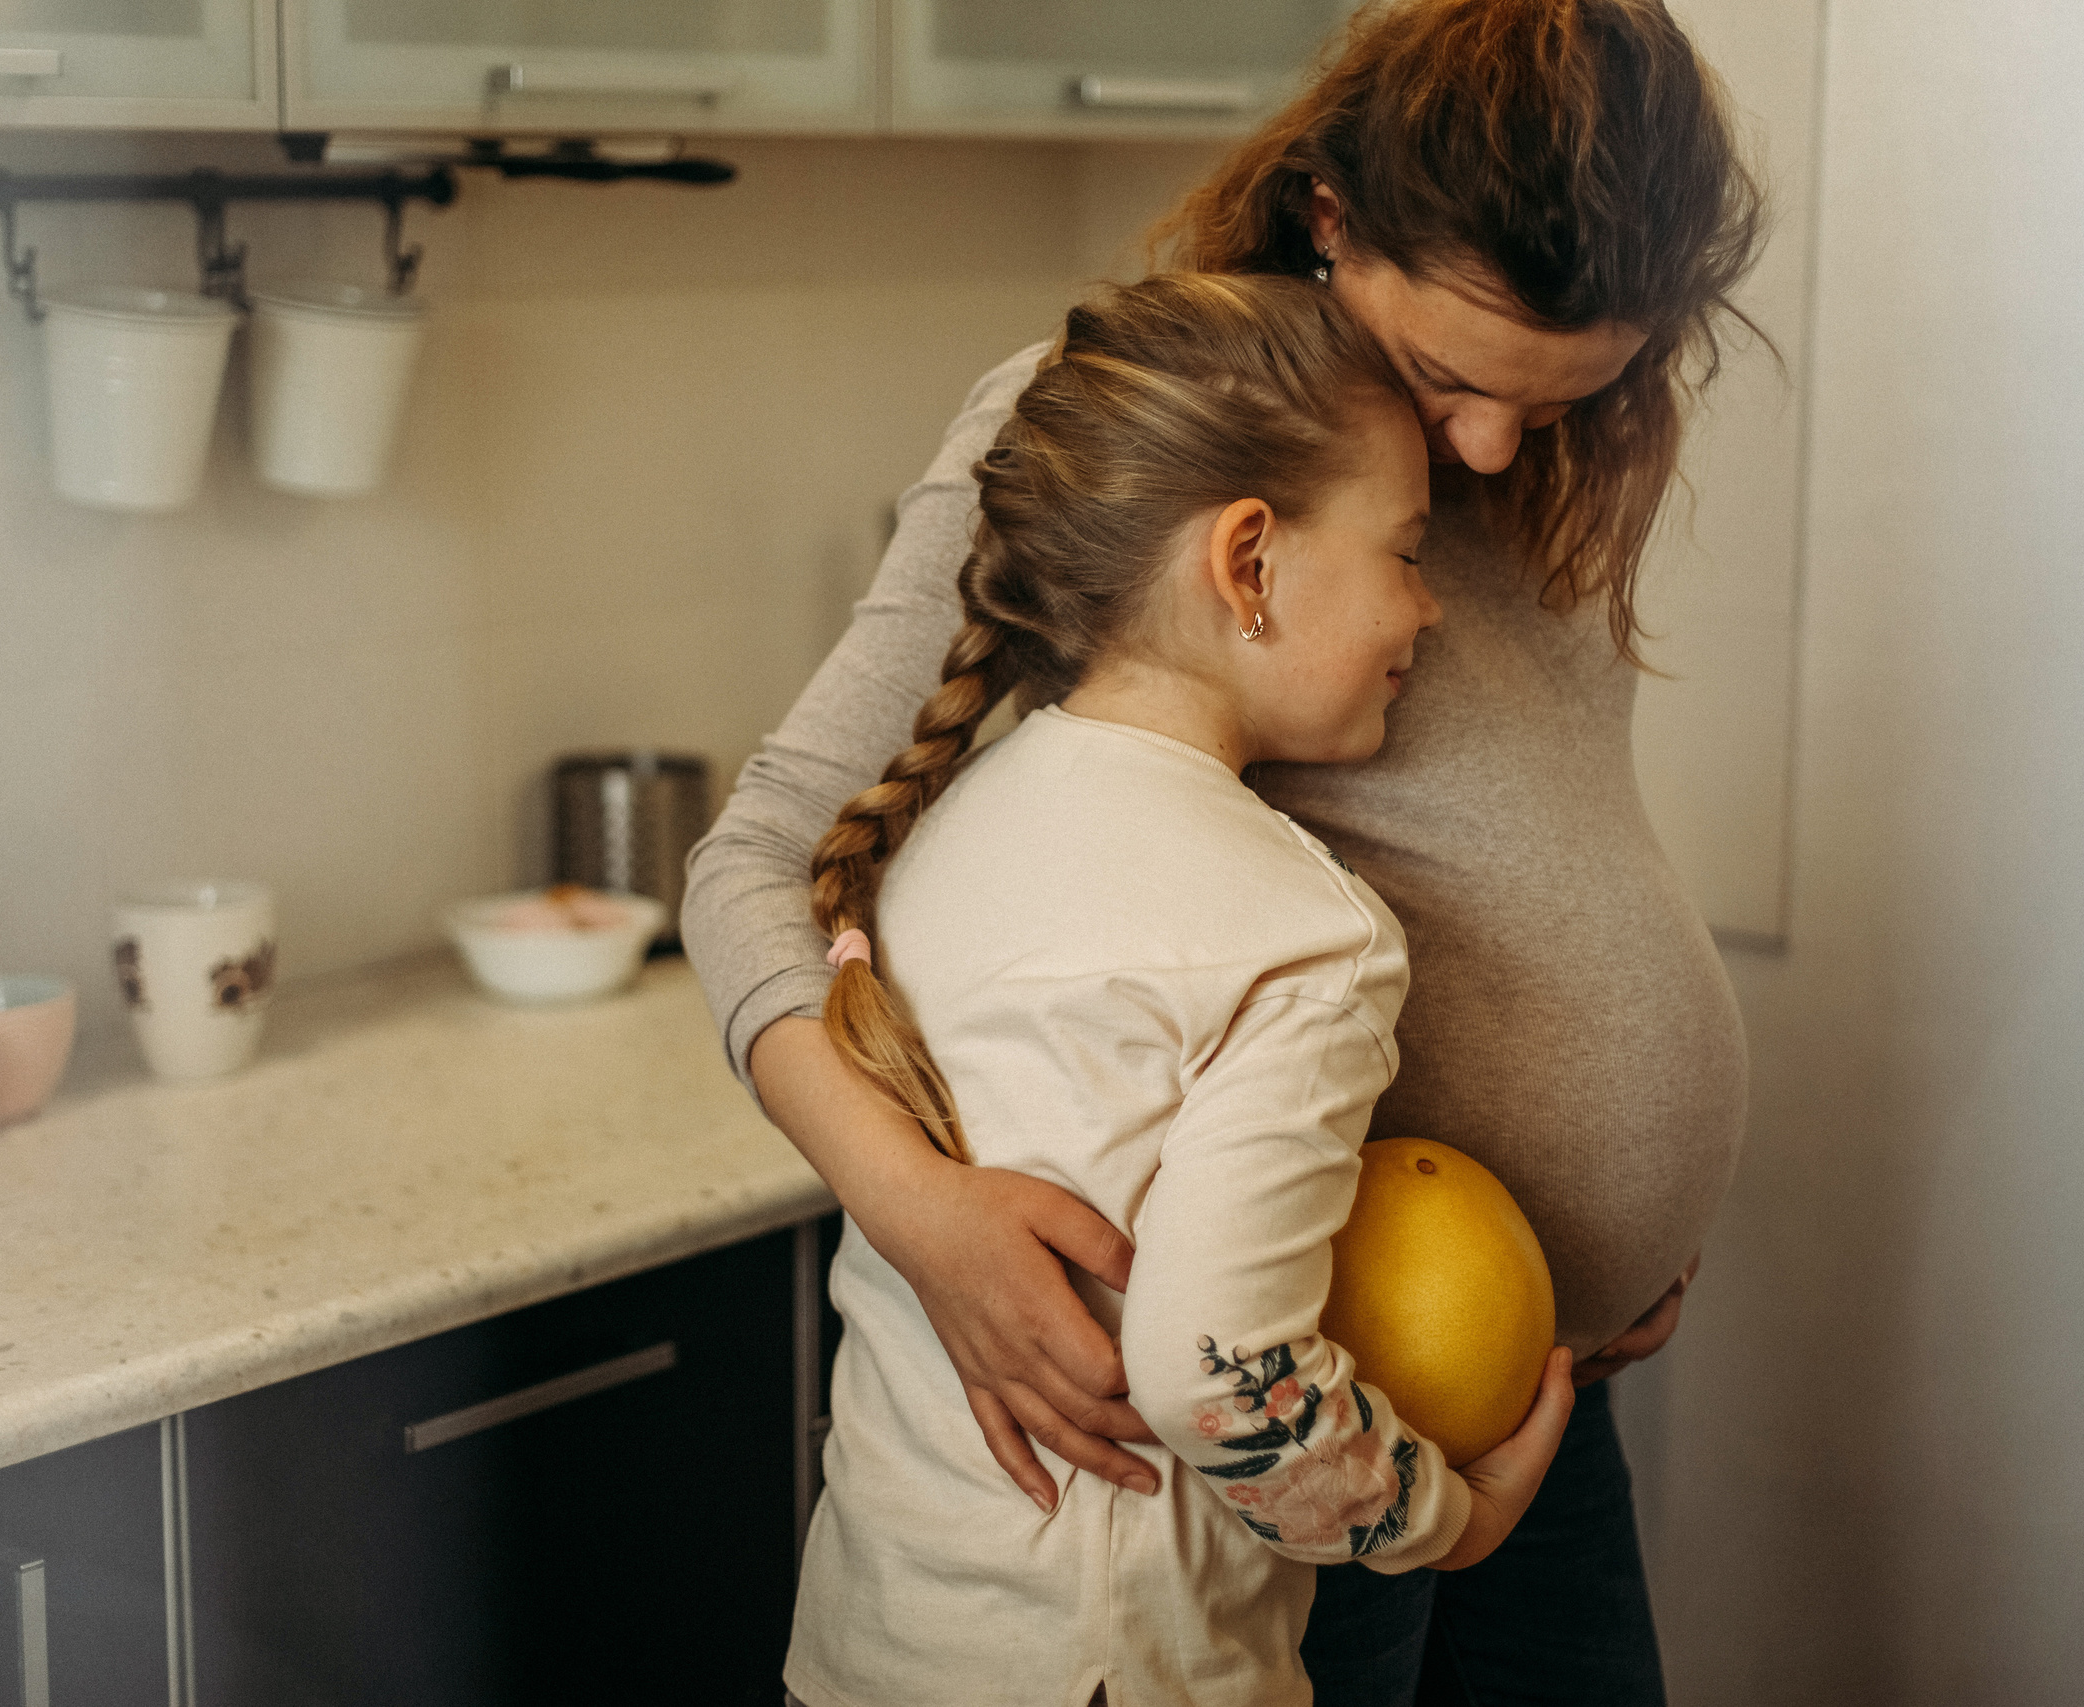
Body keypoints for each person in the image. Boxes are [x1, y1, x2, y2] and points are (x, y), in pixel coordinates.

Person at [686, 1, 1765, 1701]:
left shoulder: (1537, 456)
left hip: (1534, 1381)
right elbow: (756, 857)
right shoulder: (1150, 438)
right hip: (1291, 1439)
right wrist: (916, 1214)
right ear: (1332, 222)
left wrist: (1619, 1195)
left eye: (1565, 394)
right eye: (1456, 380)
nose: (1493, 447)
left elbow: (1528, 843)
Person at [782, 271, 1576, 1707]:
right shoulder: (1300, 932)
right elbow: (1221, 1371)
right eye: (1404, 552)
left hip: (874, 1650)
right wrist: (1448, 1522)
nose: (1430, 607)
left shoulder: (945, 827)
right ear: (1249, 565)